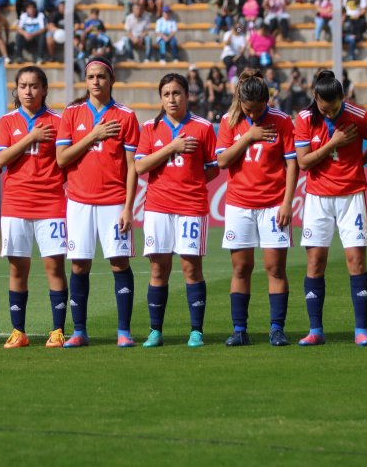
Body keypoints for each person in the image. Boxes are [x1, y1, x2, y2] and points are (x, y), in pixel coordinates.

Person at [56, 57, 140, 347]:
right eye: (91, 76)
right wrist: (93, 135)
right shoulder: (72, 114)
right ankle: (79, 331)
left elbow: (132, 167)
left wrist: (128, 207)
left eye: (101, 76)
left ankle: (124, 331)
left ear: (111, 80)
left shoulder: (126, 116)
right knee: (79, 265)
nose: (95, 81)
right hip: (79, 202)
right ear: (86, 80)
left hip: (114, 202)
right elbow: (62, 159)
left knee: (119, 263)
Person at [294, 71, 367, 346]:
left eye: (334, 107)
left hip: (351, 197)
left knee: (356, 261)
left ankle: (361, 329)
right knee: (315, 263)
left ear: (343, 97)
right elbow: (303, 163)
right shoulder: (304, 118)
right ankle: (315, 330)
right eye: (324, 108)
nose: (329, 113)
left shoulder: (359, 116)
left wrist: (358, 163)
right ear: (315, 98)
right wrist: (334, 143)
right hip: (317, 198)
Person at [135, 73, 219, 348]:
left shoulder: (203, 127)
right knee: (158, 269)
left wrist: (191, 182)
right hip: (158, 207)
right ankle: (155, 331)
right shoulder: (150, 127)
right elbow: (140, 166)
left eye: (176, 93)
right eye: (166, 94)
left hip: (191, 207)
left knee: (191, 268)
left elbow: (213, 167)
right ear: (161, 98)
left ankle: (196, 331)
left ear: (186, 95)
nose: (172, 99)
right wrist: (172, 147)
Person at [217, 69, 297, 347]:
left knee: (275, 268)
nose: (252, 113)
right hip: (239, 205)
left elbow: (292, 164)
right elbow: (223, 161)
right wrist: (249, 136)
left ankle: (277, 329)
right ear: (240, 100)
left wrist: (287, 202)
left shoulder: (282, 121)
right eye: (247, 108)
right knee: (241, 268)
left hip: (273, 204)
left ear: (267, 101)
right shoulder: (229, 121)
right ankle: (239, 330)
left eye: (258, 109)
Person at [0, 66, 69, 348]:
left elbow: (64, 162)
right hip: (16, 204)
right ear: (16, 89)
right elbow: (1, 160)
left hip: (51, 203)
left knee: (54, 267)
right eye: (23, 86)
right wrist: (30, 137)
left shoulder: (58, 121)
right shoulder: (7, 121)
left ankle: (58, 330)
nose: (28, 91)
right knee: (17, 269)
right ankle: (18, 331)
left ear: (44, 89)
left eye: (34, 86)